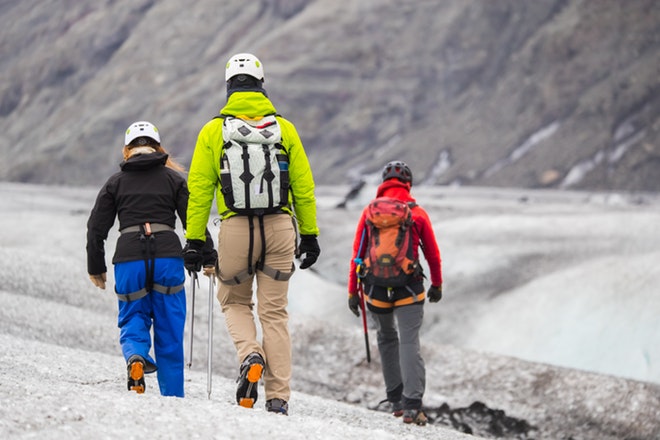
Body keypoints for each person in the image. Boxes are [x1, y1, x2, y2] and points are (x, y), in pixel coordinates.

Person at [183, 53, 320, 415]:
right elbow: (303, 188)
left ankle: (250, 355)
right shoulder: (285, 130)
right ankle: (278, 398)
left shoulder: (213, 131)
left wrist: (195, 241)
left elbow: (199, 191)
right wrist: (309, 234)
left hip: (236, 229)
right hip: (279, 228)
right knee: (274, 314)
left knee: (234, 301)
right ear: (261, 85)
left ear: (229, 87)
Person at [86, 121, 215, 397]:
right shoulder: (173, 179)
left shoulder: (115, 182)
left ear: (126, 150)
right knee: (169, 329)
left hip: (129, 257)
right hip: (168, 256)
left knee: (133, 315)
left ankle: (136, 357)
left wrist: (95, 266)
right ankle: (173, 397)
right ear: (158, 147)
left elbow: (96, 228)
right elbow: (193, 220)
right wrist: (208, 256)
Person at [347, 161, 443, 426]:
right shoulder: (418, 213)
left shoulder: (369, 212)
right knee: (409, 341)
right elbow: (432, 254)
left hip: (376, 289)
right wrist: (437, 284)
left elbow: (357, 254)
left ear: (383, 183)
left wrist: (352, 291)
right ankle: (413, 405)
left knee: (386, 338)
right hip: (409, 288)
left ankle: (396, 401)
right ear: (408, 184)